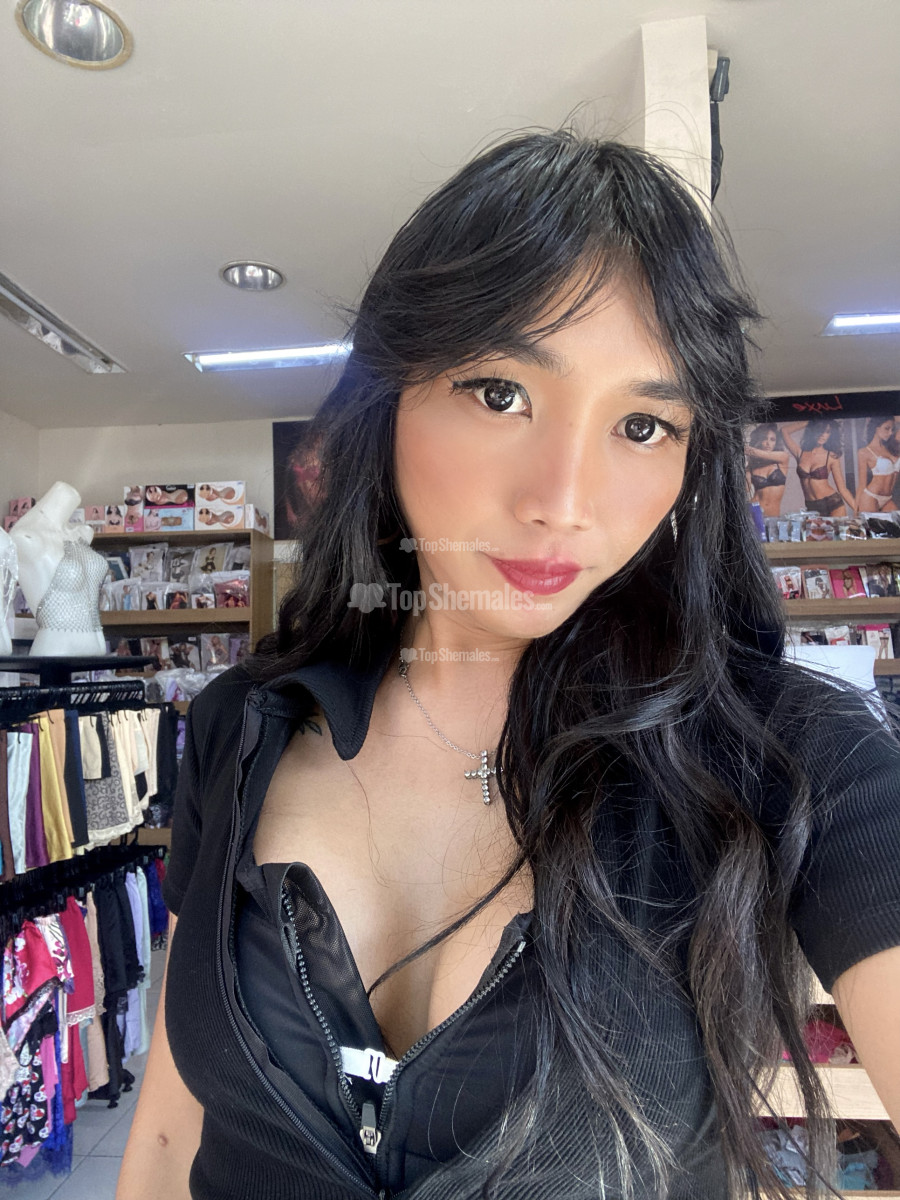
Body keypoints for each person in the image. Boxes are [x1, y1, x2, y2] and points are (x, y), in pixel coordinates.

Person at [119, 132, 900, 1200]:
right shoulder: (239, 725)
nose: (562, 500)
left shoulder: (794, 756)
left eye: (643, 424)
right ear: (389, 397)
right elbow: (170, 1136)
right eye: (499, 393)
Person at [780, 419, 856, 517]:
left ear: (830, 435)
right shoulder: (800, 453)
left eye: (827, 432)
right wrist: (811, 421)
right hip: (811, 507)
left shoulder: (831, 457)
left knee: (838, 527)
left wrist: (858, 510)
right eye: (819, 430)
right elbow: (784, 431)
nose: (822, 435)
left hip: (832, 503)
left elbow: (842, 489)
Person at [855, 416, 900, 514]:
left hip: (888, 498)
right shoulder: (864, 452)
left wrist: (890, 415)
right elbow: (862, 485)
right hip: (871, 497)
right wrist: (855, 511)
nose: (890, 433)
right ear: (876, 428)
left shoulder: (892, 448)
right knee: (871, 525)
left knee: (897, 522)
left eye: (892, 429)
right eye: (887, 428)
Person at [744, 423, 789, 517]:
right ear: (759, 440)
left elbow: (752, 451)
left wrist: (743, 449)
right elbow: (745, 489)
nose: (768, 443)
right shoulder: (752, 466)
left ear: (776, 442)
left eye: (772, 439)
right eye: (764, 438)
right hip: (755, 513)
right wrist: (746, 469)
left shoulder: (782, 458)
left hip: (773, 516)